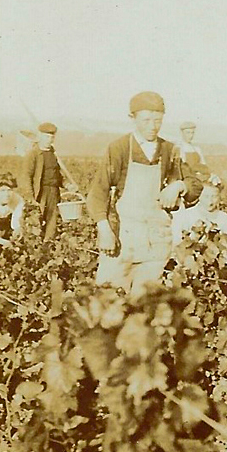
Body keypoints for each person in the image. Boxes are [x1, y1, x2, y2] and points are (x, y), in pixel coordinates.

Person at [86, 91, 203, 298]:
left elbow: (194, 184)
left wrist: (178, 186)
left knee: (145, 307)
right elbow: (98, 191)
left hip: (156, 243)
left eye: (158, 120)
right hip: (123, 240)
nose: (152, 126)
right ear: (132, 119)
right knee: (108, 301)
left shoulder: (169, 150)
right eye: (146, 120)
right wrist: (104, 229)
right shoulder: (120, 148)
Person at [23, 122, 76, 240]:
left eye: (52, 137)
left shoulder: (53, 154)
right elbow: (27, 176)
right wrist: (30, 197)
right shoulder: (33, 154)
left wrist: (67, 185)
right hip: (40, 192)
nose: (49, 140)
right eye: (46, 137)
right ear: (40, 136)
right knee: (37, 222)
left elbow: (58, 175)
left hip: (54, 192)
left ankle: (48, 246)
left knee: (52, 222)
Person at [171, 179, 227, 252]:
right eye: (206, 196)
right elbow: (176, 242)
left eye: (214, 196)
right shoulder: (186, 216)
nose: (210, 201)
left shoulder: (226, 219)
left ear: (219, 197)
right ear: (199, 196)